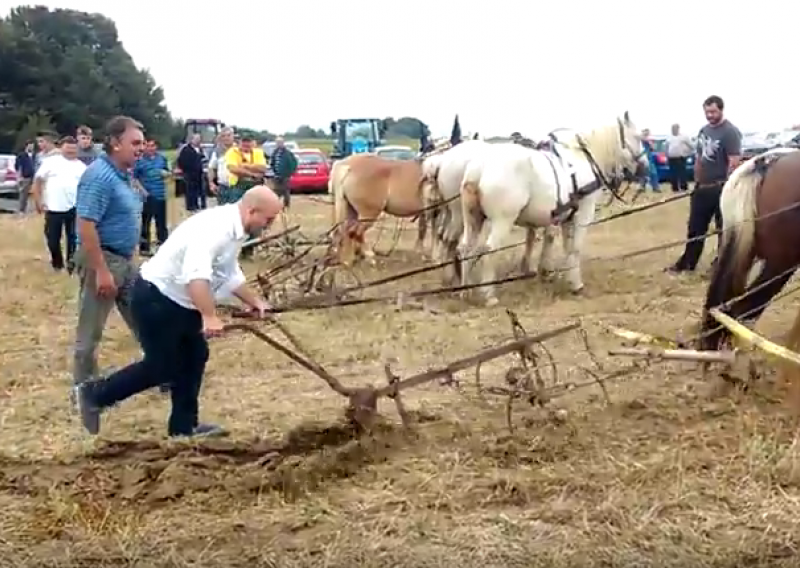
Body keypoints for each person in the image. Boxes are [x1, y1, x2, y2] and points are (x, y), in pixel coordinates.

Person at [74, 185, 283, 438]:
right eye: (268, 219)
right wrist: (209, 316)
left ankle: (184, 428)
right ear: (252, 211)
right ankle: (93, 395)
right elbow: (196, 277)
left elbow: (227, 272)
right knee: (163, 366)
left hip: (181, 302)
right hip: (157, 299)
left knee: (194, 357)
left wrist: (254, 301)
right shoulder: (216, 228)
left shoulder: (234, 229)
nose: (269, 225)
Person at [73, 115, 145, 396]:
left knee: (145, 317)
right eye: (134, 143)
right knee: (91, 328)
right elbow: (86, 224)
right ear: (115, 143)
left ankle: (162, 369)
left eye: (142, 143)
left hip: (124, 261)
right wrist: (101, 270)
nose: (140, 148)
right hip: (103, 259)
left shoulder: (123, 173)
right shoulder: (98, 176)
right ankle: (84, 387)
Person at [668, 95, 742, 273]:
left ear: (721, 110)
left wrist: (727, 186)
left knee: (723, 230)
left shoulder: (730, 132)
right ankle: (688, 263)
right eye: (707, 112)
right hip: (702, 188)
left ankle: (721, 265)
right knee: (695, 228)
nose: (709, 115)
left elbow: (734, 162)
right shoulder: (704, 131)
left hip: (721, 188)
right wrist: (697, 180)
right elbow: (700, 158)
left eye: (713, 111)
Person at [31, 136, 86, 273]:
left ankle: (71, 266)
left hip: (74, 208)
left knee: (73, 239)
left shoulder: (82, 167)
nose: (70, 151)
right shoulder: (50, 162)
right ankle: (57, 264)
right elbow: (38, 181)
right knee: (52, 239)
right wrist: (38, 201)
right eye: (68, 148)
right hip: (53, 207)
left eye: (73, 149)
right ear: (61, 148)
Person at [133, 139, 171, 256]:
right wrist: (143, 191)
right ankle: (144, 248)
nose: (150, 148)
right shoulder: (139, 161)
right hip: (147, 197)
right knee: (146, 223)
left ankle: (163, 247)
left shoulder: (162, 159)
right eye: (147, 145)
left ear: (156, 147)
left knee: (161, 223)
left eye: (152, 146)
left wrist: (166, 174)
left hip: (160, 195)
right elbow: (134, 178)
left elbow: (169, 173)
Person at [177, 133, 206, 212]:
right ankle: (191, 207)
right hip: (189, 174)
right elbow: (180, 161)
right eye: (196, 139)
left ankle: (197, 205)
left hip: (199, 174)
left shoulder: (200, 149)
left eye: (199, 139)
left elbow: (202, 158)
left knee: (198, 191)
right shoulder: (186, 149)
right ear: (192, 140)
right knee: (190, 191)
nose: (198, 141)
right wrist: (186, 170)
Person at [207, 127, 236, 204]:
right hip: (223, 187)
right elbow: (211, 168)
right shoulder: (217, 151)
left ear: (233, 136)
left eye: (228, 135)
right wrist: (211, 183)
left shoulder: (239, 150)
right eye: (223, 136)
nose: (226, 138)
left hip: (237, 187)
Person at [268, 136, 297, 209]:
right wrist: (273, 169)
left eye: (280, 142)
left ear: (283, 143)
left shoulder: (287, 153)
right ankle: (275, 205)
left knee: (286, 191)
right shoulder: (275, 152)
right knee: (276, 191)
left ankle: (286, 205)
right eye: (277, 142)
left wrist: (290, 173)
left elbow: (293, 163)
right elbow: (272, 162)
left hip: (285, 176)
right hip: (276, 175)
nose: (278, 144)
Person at [665, 123, 694, 192]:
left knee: (682, 173)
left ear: (678, 129)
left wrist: (688, 153)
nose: (673, 130)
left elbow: (691, 146)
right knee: (673, 174)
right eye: (672, 129)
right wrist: (666, 155)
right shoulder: (669, 137)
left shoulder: (684, 136)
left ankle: (683, 187)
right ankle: (675, 188)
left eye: (674, 129)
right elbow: (666, 147)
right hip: (671, 158)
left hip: (681, 157)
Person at [14, 140, 35, 214]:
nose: (32, 147)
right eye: (30, 146)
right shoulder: (21, 155)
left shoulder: (34, 155)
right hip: (25, 177)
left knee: (33, 194)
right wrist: (19, 177)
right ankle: (21, 210)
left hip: (33, 177)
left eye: (32, 146)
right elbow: (18, 167)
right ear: (26, 146)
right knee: (24, 194)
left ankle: (31, 210)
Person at [640, 129, 661, 193]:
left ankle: (655, 187)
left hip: (648, 157)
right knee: (645, 172)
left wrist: (650, 142)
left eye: (647, 132)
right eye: (645, 132)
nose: (647, 133)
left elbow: (653, 148)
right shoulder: (642, 139)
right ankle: (644, 187)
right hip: (643, 156)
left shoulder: (648, 139)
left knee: (652, 173)